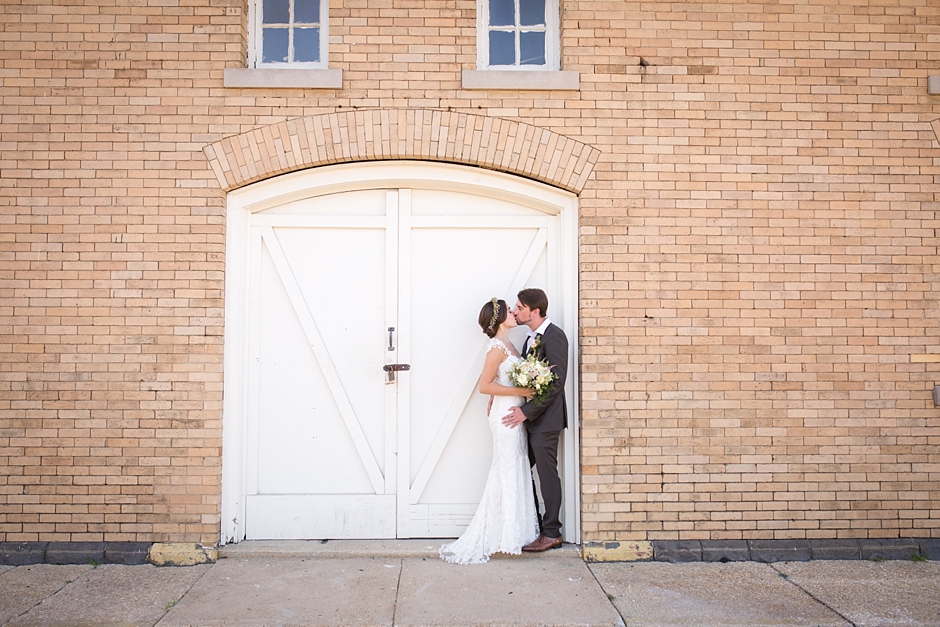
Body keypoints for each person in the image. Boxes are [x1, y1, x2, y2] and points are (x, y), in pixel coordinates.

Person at [439, 298, 539, 564]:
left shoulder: (509, 344)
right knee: (506, 467)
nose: (513, 313)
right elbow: (484, 385)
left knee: (516, 465)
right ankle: (500, 536)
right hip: (505, 415)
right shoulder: (496, 347)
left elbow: (499, 380)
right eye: (509, 310)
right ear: (498, 318)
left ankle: (515, 533)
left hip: (514, 412)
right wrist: (522, 391)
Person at [502, 288, 568, 552]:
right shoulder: (531, 339)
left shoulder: (554, 336)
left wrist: (527, 412)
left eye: (519, 307)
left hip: (547, 421)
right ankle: (534, 524)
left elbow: (556, 383)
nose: (515, 311)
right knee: (519, 468)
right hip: (531, 420)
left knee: (547, 474)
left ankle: (552, 532)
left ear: (535, 311)